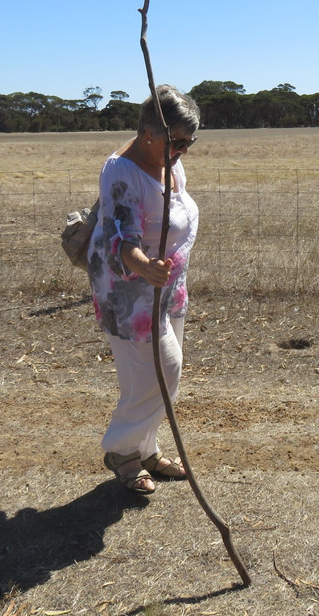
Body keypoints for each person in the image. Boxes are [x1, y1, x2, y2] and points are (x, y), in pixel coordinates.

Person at [87, 85, 201, 494]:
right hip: (129, 293)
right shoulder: (121, 171)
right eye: (179, 140)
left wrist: (162, 273)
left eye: (191, 142)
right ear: (150, 133)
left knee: (162, 377)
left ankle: (146, 449)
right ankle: (121, 451)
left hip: (167, 288)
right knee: (161, 371)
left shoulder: (167, 158)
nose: (184, 150)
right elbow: (121, 239)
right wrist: (145, 267)